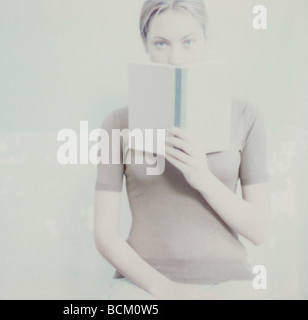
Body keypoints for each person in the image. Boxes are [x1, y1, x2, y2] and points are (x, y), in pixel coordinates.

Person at [94, 0, 271, 300]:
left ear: (204, 39)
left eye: (188, 42)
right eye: (161, 43)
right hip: (142, 284)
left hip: (229, 283)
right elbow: (104, 233)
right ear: (145, 44)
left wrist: (203, 178)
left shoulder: (245, 116)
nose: (175, 58)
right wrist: (165, 288)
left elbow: (260, 230)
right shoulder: (117, 123)